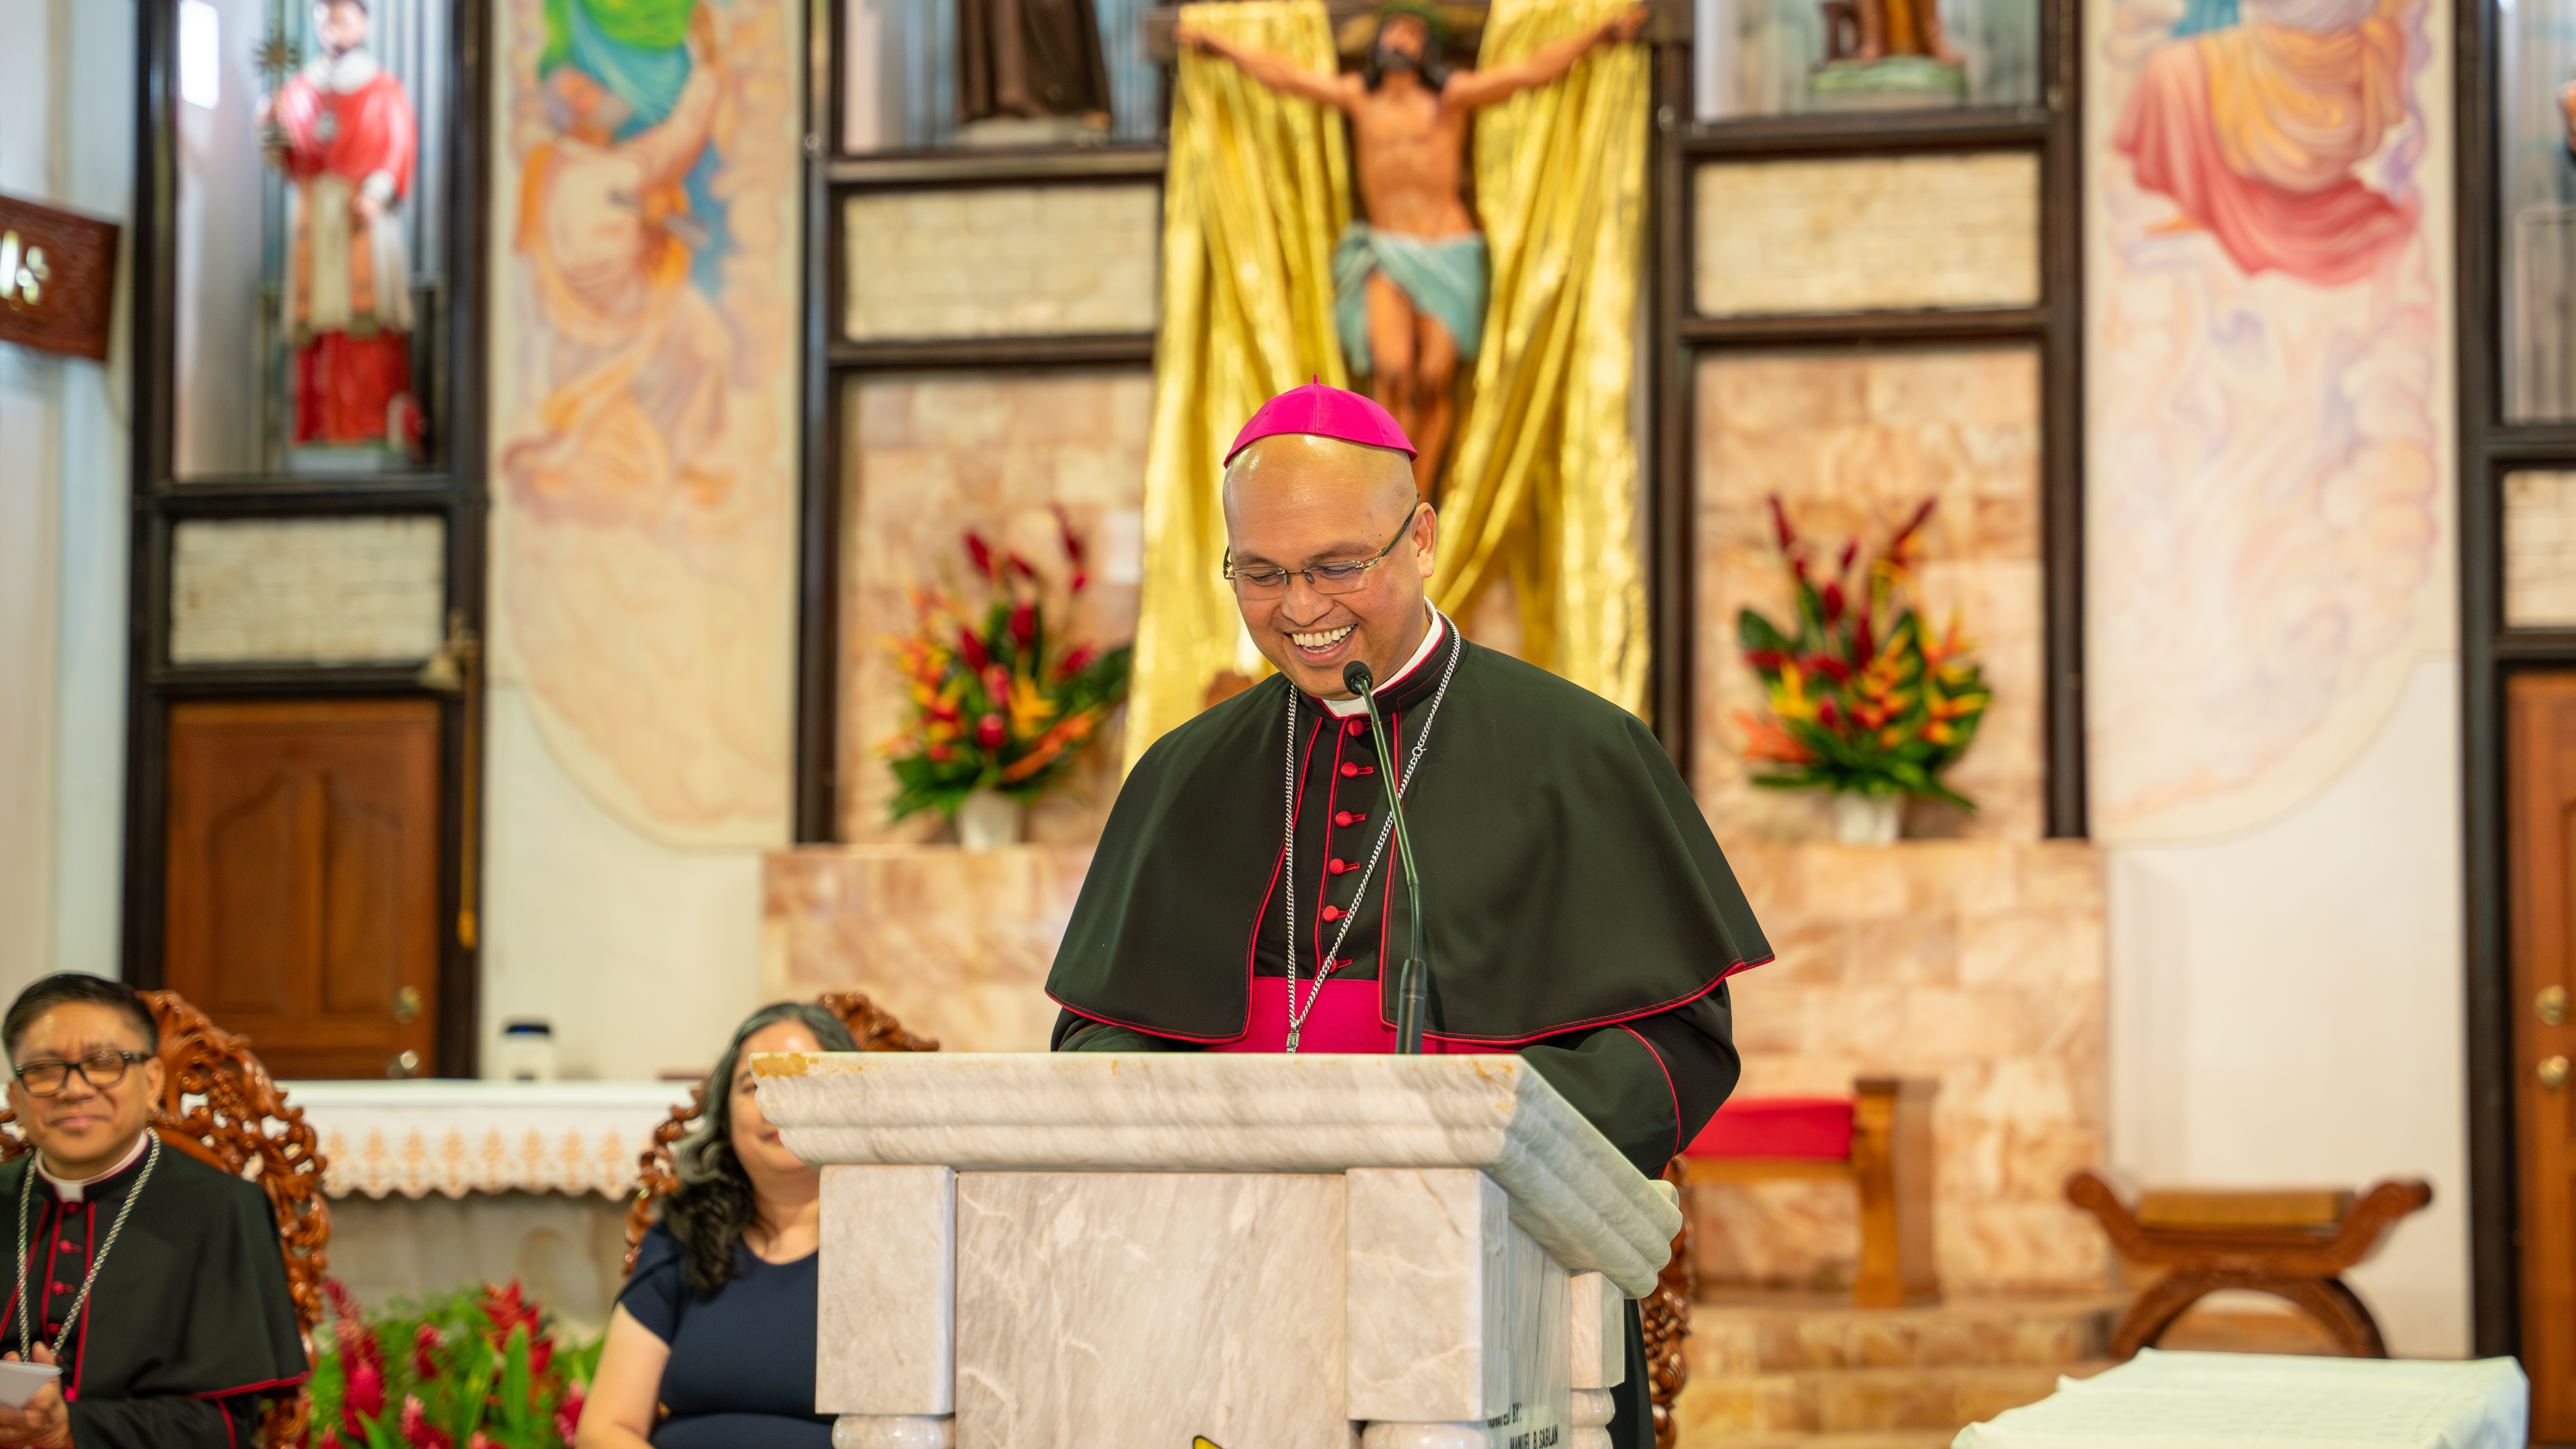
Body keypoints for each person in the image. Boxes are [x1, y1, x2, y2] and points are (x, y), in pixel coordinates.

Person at [1044, 382, 1767, 1449]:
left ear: (1421, 537)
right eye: (1261, 572)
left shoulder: (1578, 754)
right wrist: (1241, 1133)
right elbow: (1091, 1042)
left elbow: (1676, 1050)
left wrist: (1448, 1138)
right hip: (1226, 1286)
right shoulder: (1180, 776)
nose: (1300, 607)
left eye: (1339, 565)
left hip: (1501, 1272)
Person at [1173, 3, 1650, 499]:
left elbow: (1529, 72)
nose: (1401, 40)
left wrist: (1599, 34)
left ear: (1429, 49)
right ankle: (1387, 484)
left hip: (1449, 252)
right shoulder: (1360, 98)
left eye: (1413, 33)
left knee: (1433, 380)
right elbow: (1286, 76)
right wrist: (1219, 44)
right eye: (1394, 30)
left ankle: (1418, 495)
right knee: (1393, 371)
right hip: (1387, 250)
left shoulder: (1450, 99)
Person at [0, 973, 307, 1449]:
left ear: (151, 1082)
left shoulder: (222, 1211)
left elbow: (224, 1428)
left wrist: (70, 1431)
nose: (74, 1089)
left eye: (104, 1063)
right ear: (16, 1098)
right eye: (43, 1068)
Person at [578, 1003, 858, 1449]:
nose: (776, 1103)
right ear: (725, 1117)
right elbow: (607, 1428)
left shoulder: (893, 1246)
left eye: (801, 1082)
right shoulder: (682, 1237)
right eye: (754, 1086)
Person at [261, 0, 422, 454]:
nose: (334, 27)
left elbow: (398, 145)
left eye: (343, 16)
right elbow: (288, 158)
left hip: (362, 214)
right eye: (325, 17)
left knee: (364, 319)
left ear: (364, 22)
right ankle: (318, 426)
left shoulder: (383, 87)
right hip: (315, 215)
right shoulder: (299, 88)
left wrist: (378, 191)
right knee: (317, 322)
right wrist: (269, 131)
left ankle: (367, 425)